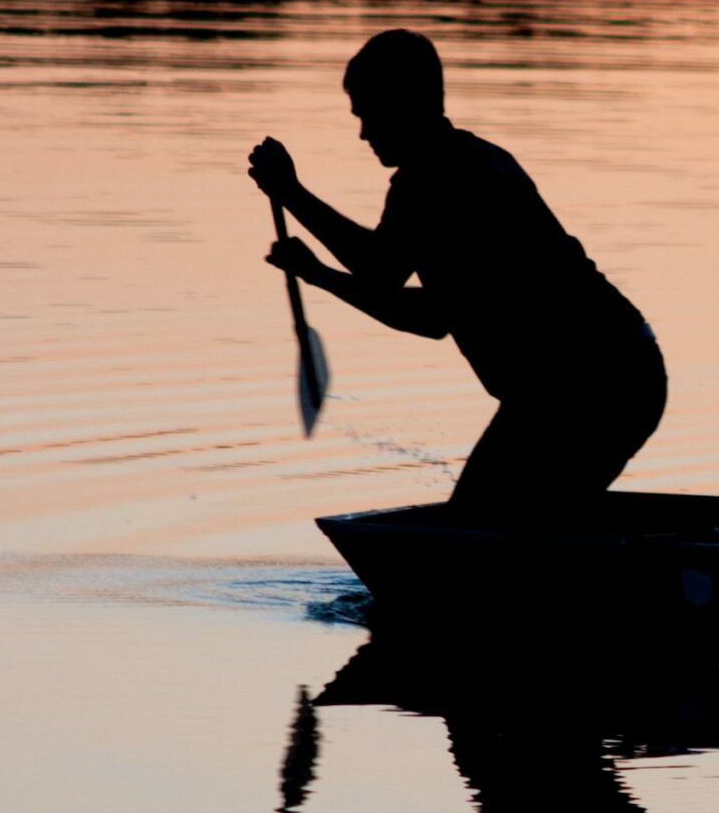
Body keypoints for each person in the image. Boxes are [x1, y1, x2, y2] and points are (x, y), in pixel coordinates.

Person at [247, 28, 664, 521]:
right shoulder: (470, 161)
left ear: (405, 103)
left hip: (585, 385)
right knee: (509, 522)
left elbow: (381, 271)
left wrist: (292, 195)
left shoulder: (437, 177)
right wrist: (317, 273)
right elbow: (428, 316)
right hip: (610, 377)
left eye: (368, 114)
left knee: (485, 526)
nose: (363, 133)